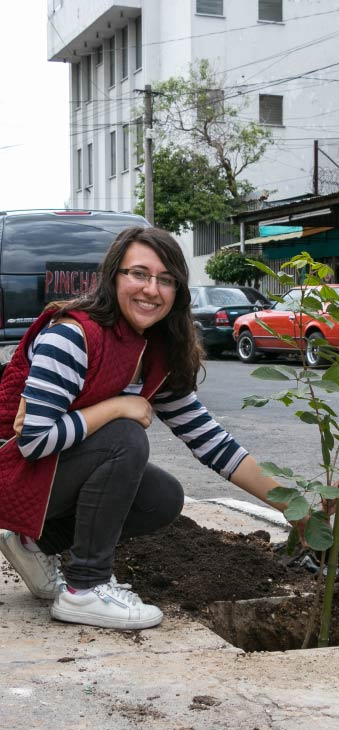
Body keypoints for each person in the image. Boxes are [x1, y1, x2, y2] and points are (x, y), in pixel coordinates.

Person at [0, 227, 284, 631]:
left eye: (165, 279)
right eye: (139, 273)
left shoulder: (154, 353)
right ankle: (85, 588)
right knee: (124, 437)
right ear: (113, 276)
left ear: (178, 292)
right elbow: (33, 442)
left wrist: (295, 509)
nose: (152, 289)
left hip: (40, 479)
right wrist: (118, 406)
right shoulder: (72, 334)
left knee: (162, 497)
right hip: (10, 469)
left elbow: (211, 442)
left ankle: (34, 543)